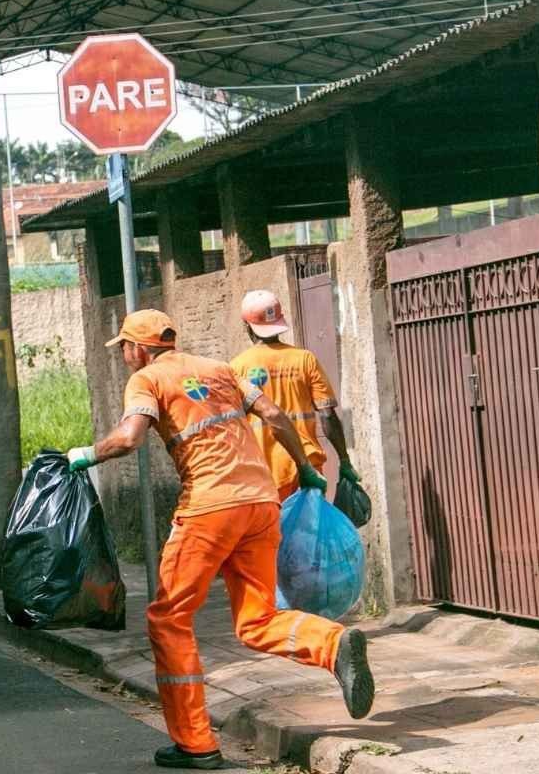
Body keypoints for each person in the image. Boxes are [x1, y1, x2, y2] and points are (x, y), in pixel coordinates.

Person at [67, 309, 374, 770]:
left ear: (138, 348)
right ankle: (332, 644)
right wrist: (306, 468)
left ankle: (196, 744)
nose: (125, 357)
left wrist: (87, 455)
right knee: (256, 619)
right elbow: (273, 414)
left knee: (169, 618)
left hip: (209, 508)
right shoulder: (221, 369)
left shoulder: (147, 379)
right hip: (261, 502)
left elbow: (130, 438)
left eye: (125, 349)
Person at [230, 290, 361, 503]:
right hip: (308, 467)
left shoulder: (236, 367)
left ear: (247, 326)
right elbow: (327, 415)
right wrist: (344, 460)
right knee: (309, 533)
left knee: (274, 536)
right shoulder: (305, 359)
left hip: (265, 471)